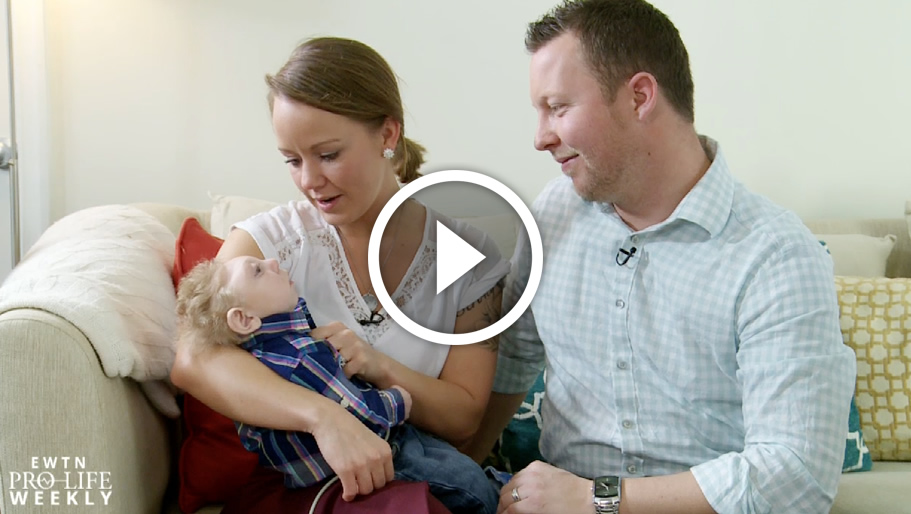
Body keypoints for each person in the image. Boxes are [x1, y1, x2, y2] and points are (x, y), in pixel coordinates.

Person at [467, 1, 857, 513]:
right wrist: (452, 478)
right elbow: (513, 360)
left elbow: (796, 475)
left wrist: (595, 500)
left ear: (640, 97)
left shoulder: (776, 256)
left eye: (558, 108)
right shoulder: (552, 215)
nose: (541, 137)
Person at [169, 37, 510, 513]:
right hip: (302, 488)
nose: (309, 180)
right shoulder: (268, 242)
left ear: (387, 134)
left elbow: (464, 418)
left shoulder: (470, 259)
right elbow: (193, 359)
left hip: (411, 485)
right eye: (292, 160)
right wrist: (326, 418)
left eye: (328, 154)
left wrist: (377, 365)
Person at [174, 256, 500, 514]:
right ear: (243, 319)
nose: (272, 261)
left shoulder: (262, 356)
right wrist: (398, 400)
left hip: (307, 476)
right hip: (371, 455)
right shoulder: (301, 356)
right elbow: (357, 410)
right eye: (257, 270)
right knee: (469, 483)